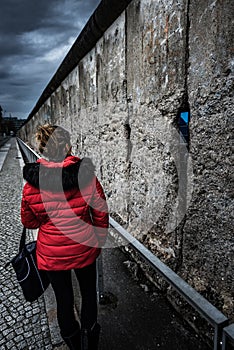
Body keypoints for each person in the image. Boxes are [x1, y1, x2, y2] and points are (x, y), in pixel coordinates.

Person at [21, 124, 109, 350]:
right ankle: (90, 342)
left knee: (64, 300)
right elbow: (100, 211)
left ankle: (73, 344)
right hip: (84, 246)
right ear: (67, 145)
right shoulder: (85, 175)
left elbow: (29, 222)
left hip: (52, 254)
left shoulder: (31, 184)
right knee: (89, 295)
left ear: (42, 147)